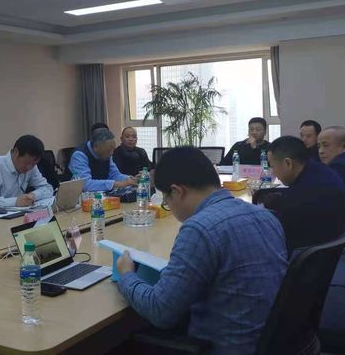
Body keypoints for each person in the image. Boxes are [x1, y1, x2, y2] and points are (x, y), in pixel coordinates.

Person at [115, 147, 287, 354]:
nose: (169, 207)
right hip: (271, 342)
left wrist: (126, 275)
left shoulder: (200, 229)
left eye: (166, 201)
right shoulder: (266, 216)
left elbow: (160, 311)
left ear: (177, 192)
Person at [266, 136, 345, 251]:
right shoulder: (318, 170)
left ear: (288, 163)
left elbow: (280, 233)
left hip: (310, 251)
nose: (272, 172)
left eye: (272, 166)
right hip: (335, 241)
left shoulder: (302, 197)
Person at [0, 135, 54, 208]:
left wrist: (33, 195)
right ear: (16, 152)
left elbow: (47, 188)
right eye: (26, 163)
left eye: (33, 164)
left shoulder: (32, 167)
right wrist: (14, 202)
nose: (29, 167)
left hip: (14, 215)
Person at [69, 128, 138, 192]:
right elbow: (85, 184)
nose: (111, 153)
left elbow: (114, 174)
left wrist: (130, 179)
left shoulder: (107, 154)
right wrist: (116, 184)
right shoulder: (79, 155)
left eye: (113, 149)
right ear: (96, 147)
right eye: (108, 151)